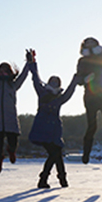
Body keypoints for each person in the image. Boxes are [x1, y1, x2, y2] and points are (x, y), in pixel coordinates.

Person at [27, 52, 79, 188]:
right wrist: (32, 62)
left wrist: (75, 78)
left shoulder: (59, 98)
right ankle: (54, 179)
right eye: (52, 81)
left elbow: (69, 91)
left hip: (54, 130)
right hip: (42, 128)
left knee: (57, 154)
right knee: (55, 153)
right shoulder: (42, 92)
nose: (54, 83)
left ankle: (53, 179)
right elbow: (35, 78)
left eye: (56, 82)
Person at [0, 51, 31, 173]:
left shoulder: (13, 85)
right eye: (0, 71)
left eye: (5, 71)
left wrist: (29, 62)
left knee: (13, 141)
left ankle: (11, 151)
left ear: (10, 72)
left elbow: (24, 75)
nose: (2, 73)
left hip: (10, 118)